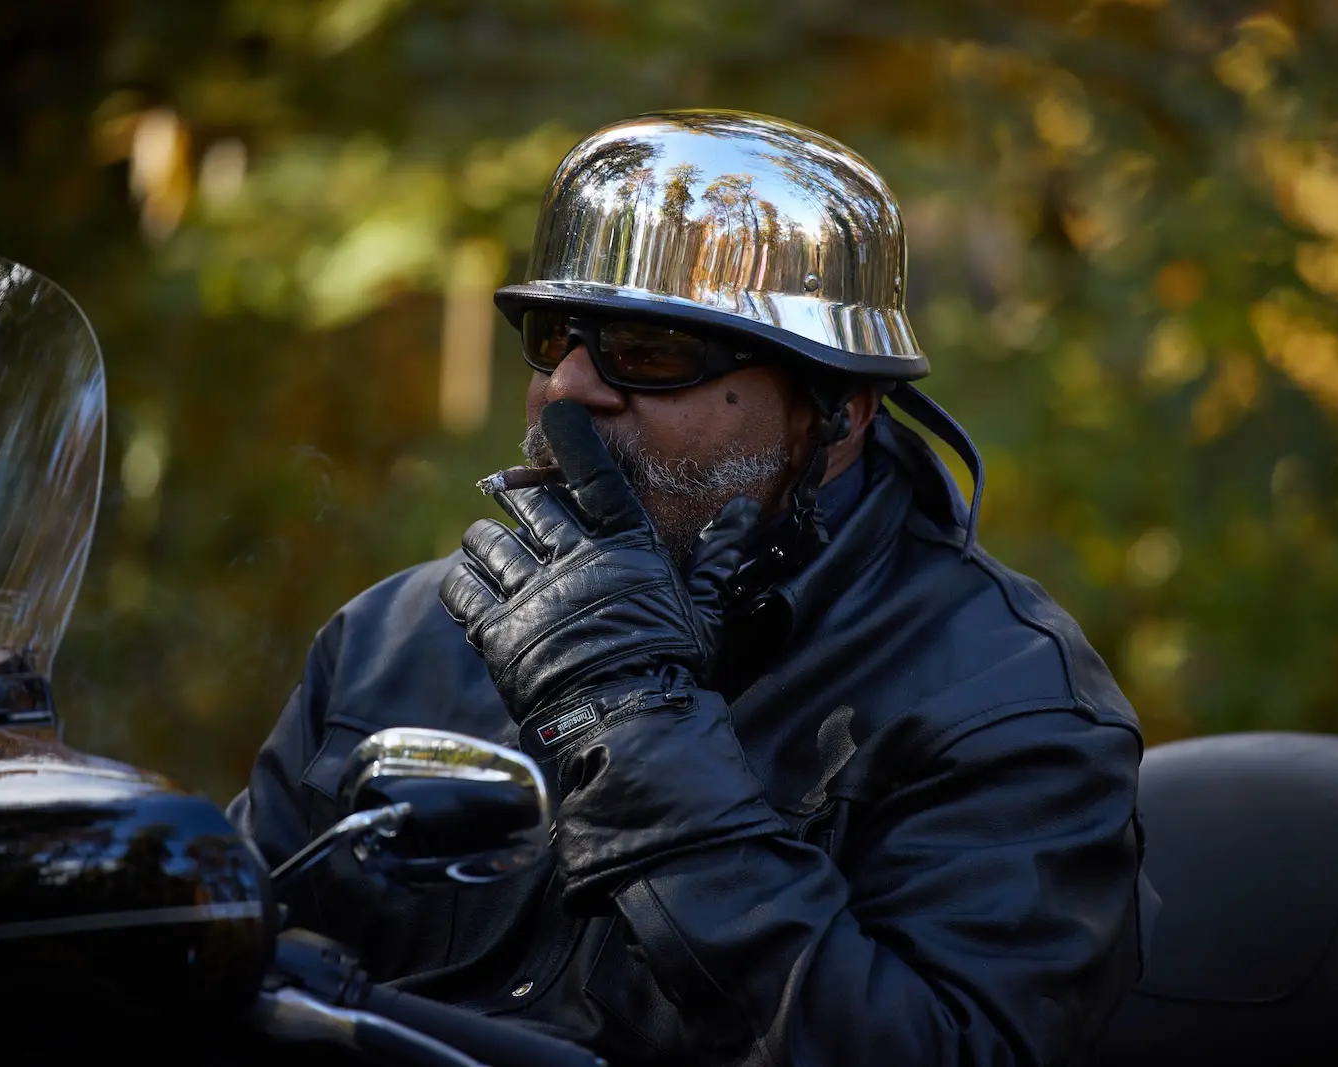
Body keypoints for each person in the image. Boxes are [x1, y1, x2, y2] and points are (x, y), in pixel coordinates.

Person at [229, 109, 1156, 1067]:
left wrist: (634, 730)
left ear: (839, 409)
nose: (569, 389)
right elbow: (216, 969)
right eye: (554, 336)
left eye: (651, 350)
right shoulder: (394, 638)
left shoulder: (1006, 703)